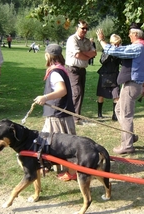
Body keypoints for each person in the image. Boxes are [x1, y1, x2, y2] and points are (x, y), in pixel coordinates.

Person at [96, 22, 144, 154]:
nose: (129, 35)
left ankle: (127, 145)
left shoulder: (138, 47)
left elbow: (116, 51)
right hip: (136, 85)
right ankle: (130, 136)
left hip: (131, 85)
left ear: (136, 34)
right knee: (119, 109)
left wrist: (102, 40)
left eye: (130, 34)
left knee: (125, 115)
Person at [34, 44, 77, 181]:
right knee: (45, 140)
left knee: (65, 144)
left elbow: (62, 90)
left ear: (48, 55)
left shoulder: (55, 72)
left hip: (58, 115)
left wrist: (45, 97)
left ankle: (72, 172)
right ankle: (46, 164)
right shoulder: (60, 69)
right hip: (59, 113)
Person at [65, 20, 97, 125]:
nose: (84, 30)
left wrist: (83, 53)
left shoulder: (87, 41)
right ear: (77, 28)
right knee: (76, 92)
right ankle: (73, 118)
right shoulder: (72, 39)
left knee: (80, 93)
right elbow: (78, 55)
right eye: (82, 28)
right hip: (73, 69)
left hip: (82, 70)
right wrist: (86, 55)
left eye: (86, 29)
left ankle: (75, 116)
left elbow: (94, 53)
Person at [96, 34, 122, 121]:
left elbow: (121, 62)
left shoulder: (119, 51)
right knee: (101, 95)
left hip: (114, 75)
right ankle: (99, 114)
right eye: (116, 44)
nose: (117, 46)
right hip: (104, 75)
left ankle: (115, 115)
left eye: (118, 44)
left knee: (116, 95)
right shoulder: (106, 50)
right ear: (111, 43)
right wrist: (110, 53)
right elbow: (102, 61)